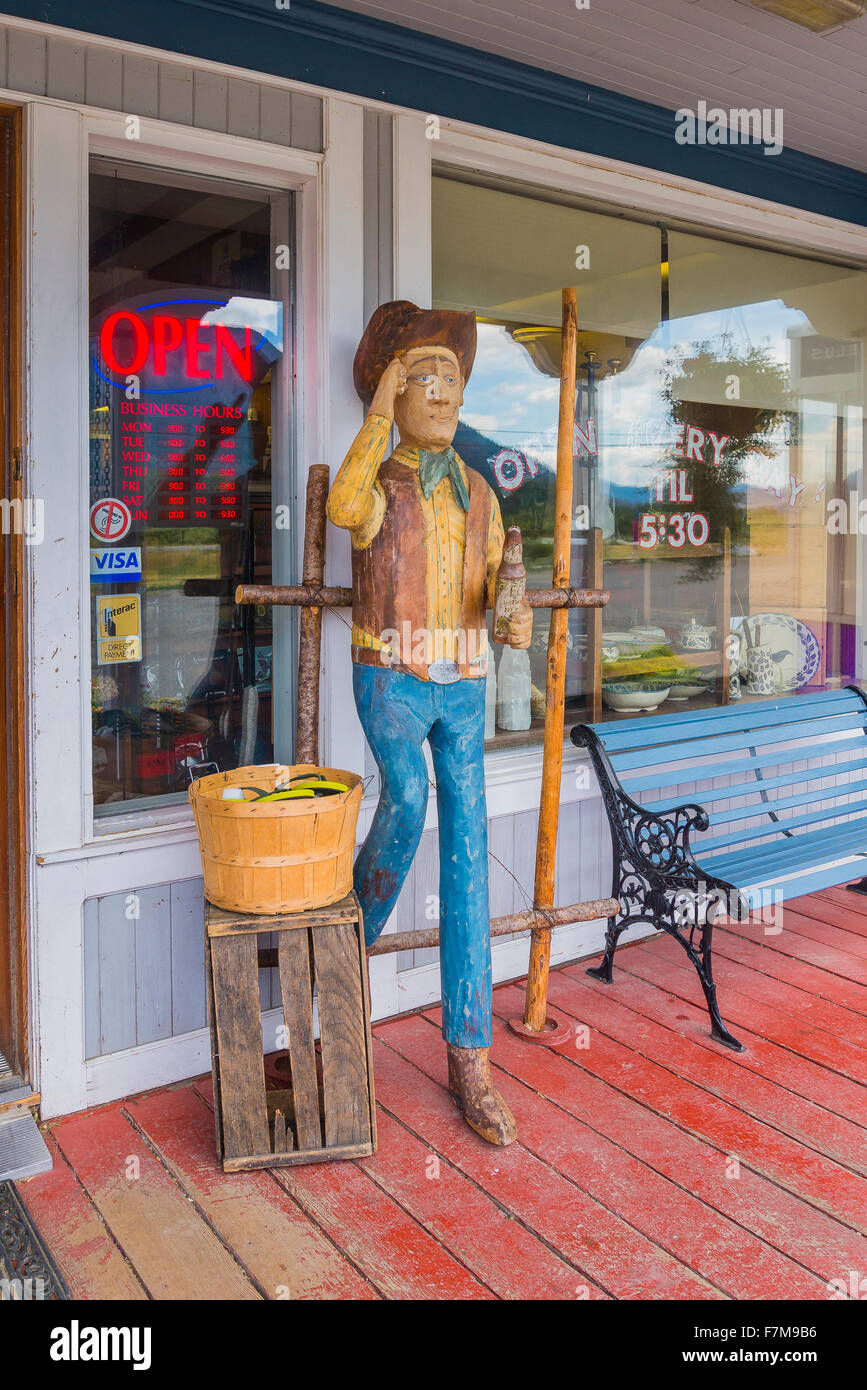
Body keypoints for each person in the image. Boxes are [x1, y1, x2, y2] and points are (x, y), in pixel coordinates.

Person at [327, 300, 532, 1146]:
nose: (443, 394)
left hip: (463, 685)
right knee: (404, 804)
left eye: (451, 380)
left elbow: (495, 594)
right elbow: (341, 509)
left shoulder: (479, 491)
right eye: (423, 379)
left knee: (469, 855)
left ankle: (469, 1054)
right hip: (393, 676)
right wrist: (376, 417)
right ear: (390, 392)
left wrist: (512, 615)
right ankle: (333, 988)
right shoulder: (376, 483)